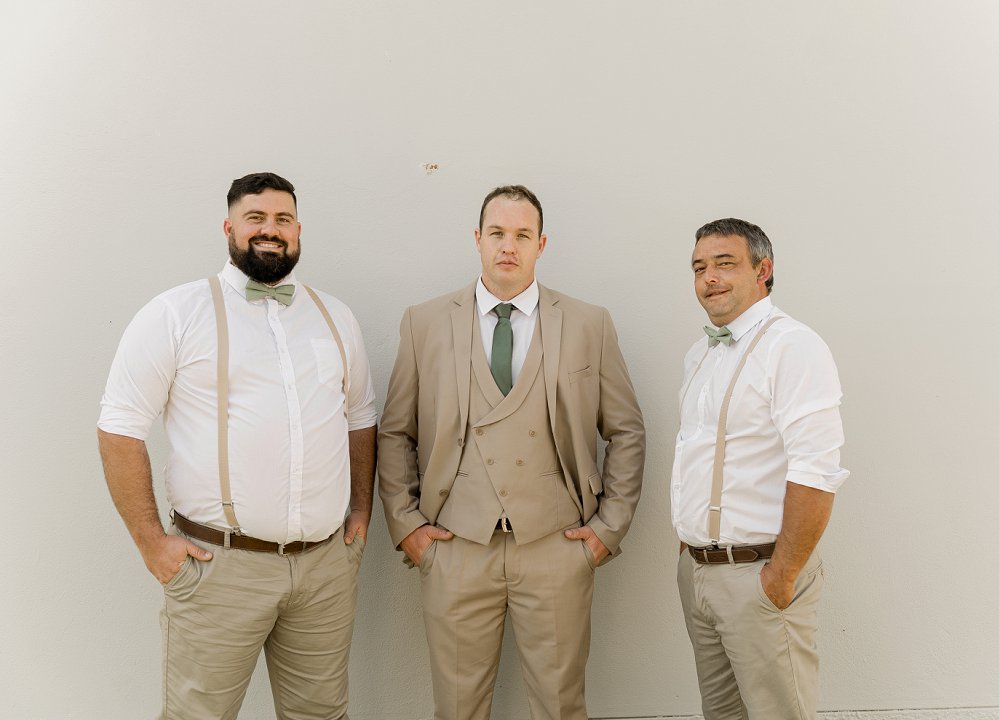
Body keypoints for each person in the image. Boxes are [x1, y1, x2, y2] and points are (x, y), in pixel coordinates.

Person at [97, 172, 378, 720]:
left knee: (323, 715)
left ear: (298, 230)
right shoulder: (176, 313)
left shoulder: (335, 317)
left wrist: (362, 512)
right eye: (256, 218)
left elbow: (360, 417)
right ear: (229, 228)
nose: (270, 229)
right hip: (219, 568)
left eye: (282, 219)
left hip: (324, 569)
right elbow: (119, 427)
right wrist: (152, 543)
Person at [378, 185, 645, 720]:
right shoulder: (423, 322)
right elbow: (395, 432)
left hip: (556, 545)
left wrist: (607, 530)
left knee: (561, 708)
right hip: (456, 546)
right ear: (477, 239)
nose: (508, 246)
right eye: (497, 233)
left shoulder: (589, 323)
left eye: (523, 235)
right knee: (457, 710)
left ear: (541, 244)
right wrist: (408, 528)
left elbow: (627, 431)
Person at [672, 218, 849, 720]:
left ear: (763, 270)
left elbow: (816, 472)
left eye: (725, 263)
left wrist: (781, 576)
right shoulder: (700, 354)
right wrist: (689, 550)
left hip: (759, 576)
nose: (710, 277)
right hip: (700, 574)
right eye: (699, 268)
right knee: (721, 714)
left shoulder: (792, 346)